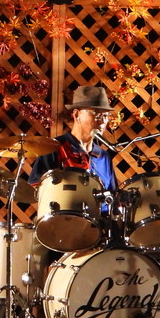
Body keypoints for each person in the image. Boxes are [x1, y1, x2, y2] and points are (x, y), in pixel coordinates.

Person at [28, 84, 118, 253]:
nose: (103, 121)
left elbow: (113, 195)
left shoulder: (104, 156)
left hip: (99, 237)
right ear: (76, 115)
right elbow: (35, 189)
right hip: (60, 234)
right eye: (96, 114)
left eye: (106, 115)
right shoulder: (54, 148)